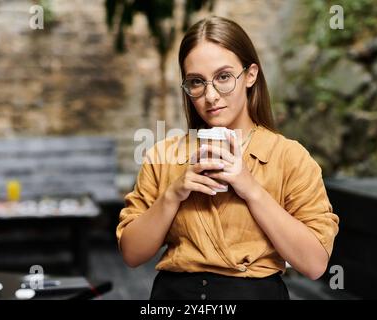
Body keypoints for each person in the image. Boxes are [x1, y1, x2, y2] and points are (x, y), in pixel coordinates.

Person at [116, 16, 339, 300]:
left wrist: (250, 189)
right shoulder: (164, 156)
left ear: (250, 75)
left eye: (223, 77)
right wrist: (174, 193)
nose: (210, 96)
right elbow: (132, 255)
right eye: (196, 82)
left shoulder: (289, 157)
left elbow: (314, 264)